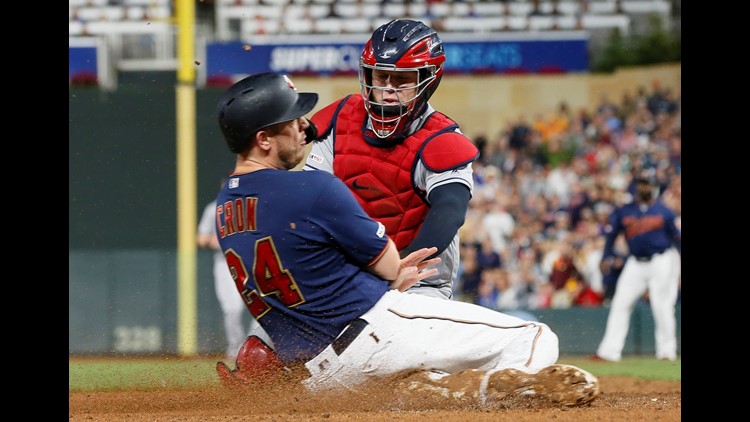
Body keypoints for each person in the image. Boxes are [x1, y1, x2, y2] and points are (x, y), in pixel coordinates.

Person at [209, 72, 600, 407]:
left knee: (414, 376)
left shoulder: (226, 209)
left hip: (321, 375)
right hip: (377, 328)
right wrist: (396, 269)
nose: (303, 126)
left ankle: (435, 390)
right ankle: (496, 399)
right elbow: (390, 266)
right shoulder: (312, 188)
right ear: (263, 139)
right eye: (292, 120)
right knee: (535, 337)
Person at [303, 19, 480, 300]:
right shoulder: (338, 119)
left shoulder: (443, 139)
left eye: (401, 80)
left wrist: (396, 269)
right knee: (262, 342)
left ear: (429, 78)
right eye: (379, 77)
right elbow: (313, 198)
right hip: (345, 277)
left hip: (417, 283)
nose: (387, 90)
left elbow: (449, 212)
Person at [593, 175, 681, 362]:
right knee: (620, 303)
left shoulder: (663, 211)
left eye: (647, 185)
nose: (644, 189)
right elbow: (611, 235)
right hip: (635, 262)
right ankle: (609, 351)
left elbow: (676, 238)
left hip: (662, 260)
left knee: (662, 305)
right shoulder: (625, 211)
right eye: (641, 185)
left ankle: (666, 351)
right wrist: (605, 256)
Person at [198, 192, 260, 360]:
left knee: (261, 309)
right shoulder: (214, 208)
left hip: (252, 261)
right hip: (225, 263)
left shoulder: (253, 205)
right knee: (233, 309)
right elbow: (202, 239)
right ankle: (236, 350)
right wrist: (226, 241)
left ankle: (255, 347)